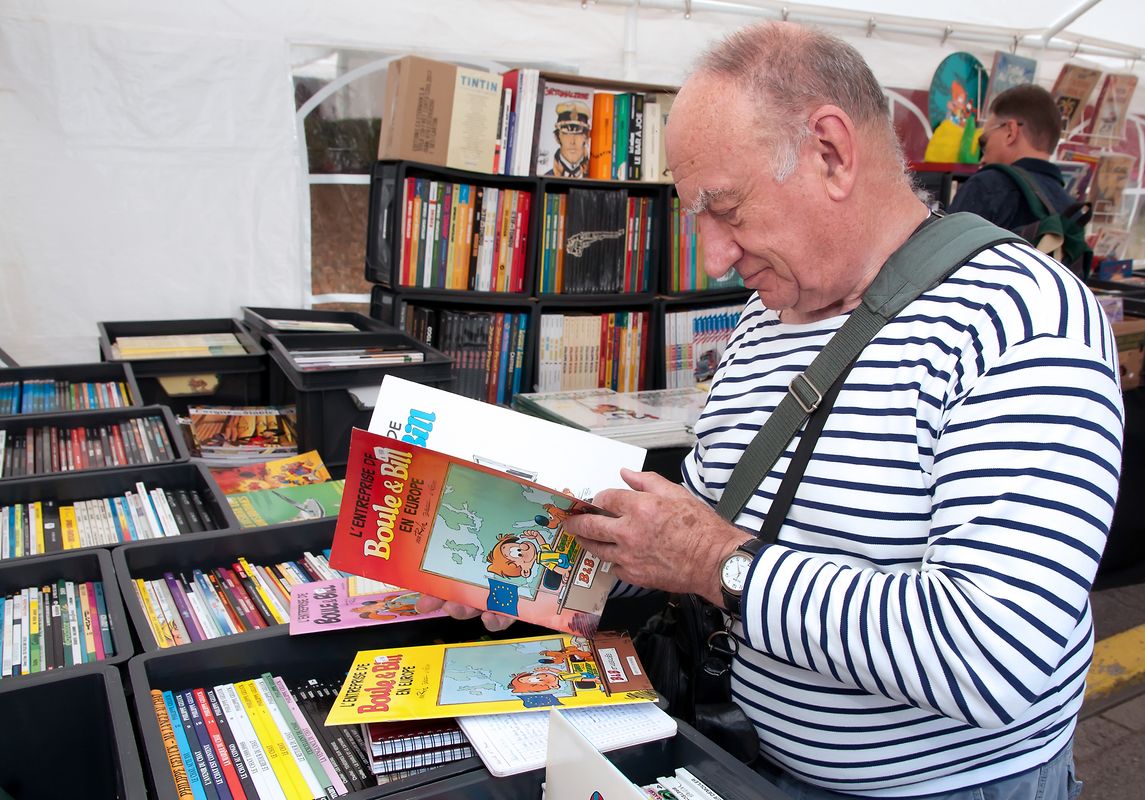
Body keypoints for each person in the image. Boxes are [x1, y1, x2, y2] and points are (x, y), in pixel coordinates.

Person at [421, 22, 1123, 799]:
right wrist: (538, 566)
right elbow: (704, 521)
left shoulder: (1020, 317)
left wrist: (714, 563)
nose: (714, 256)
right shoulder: (765, 317)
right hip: (757, 758)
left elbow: (997, 655)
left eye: (725, 208)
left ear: (830, 152)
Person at [947, 84, 1077, 231]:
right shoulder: (1071, 208)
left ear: (1010, 132)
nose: (981, 158)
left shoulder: (986, 186)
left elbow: (945, 243)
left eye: (983, 141)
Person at [545, 100, 591, 177]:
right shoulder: (546, 176)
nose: (572, 141)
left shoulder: (596, 176)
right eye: (566, 133)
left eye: (578, 133)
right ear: (557, 137)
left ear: (586, 138)